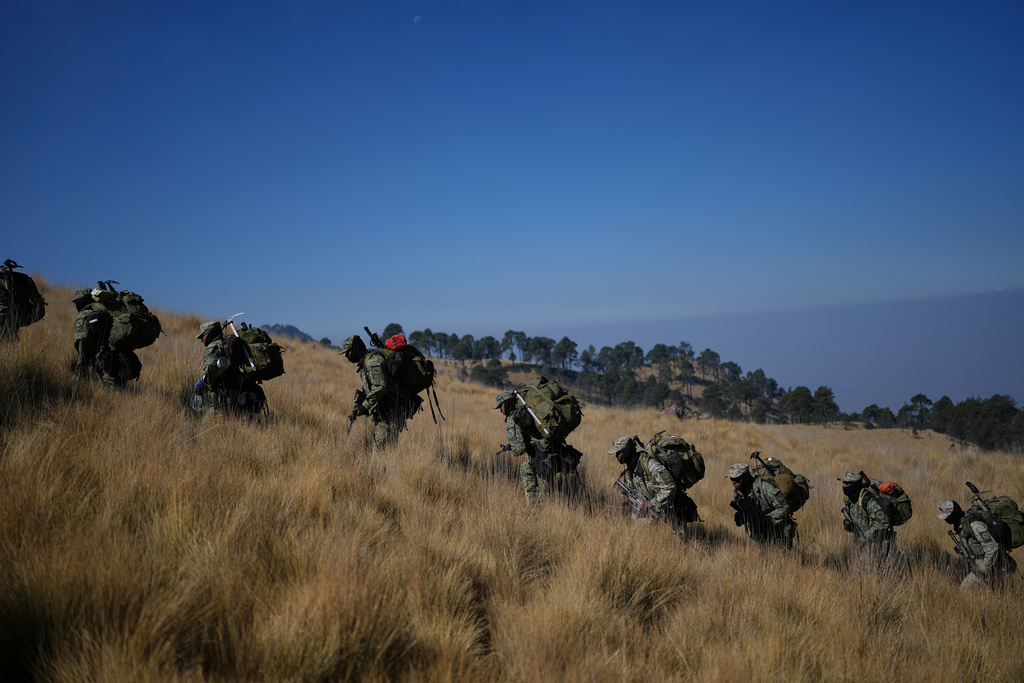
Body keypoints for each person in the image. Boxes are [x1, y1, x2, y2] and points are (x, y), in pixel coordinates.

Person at [495, 389, 578, 502]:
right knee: (544, 487)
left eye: (501, 406)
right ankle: (541, 509)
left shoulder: (514, 419)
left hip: (542, 458)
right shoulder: (530, 412)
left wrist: (515, 446)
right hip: (556, 452)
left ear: (507, 402)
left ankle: (535, 506)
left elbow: (519, 450)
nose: (500, 410)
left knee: (531, 475)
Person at [341, 334, 419, 448]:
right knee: (385, 449)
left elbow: (380, 387)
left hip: (389, 411)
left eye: (348, 352)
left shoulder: (373, 361)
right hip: (383, 412)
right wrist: (360, 401)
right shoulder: (366, 361)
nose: (347, 357)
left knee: (380, 450)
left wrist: (365, 406)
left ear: (354, 349)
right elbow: (373, 385)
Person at [610, 435, 699, 528]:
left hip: (672, 511)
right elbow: (628, 489)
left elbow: (670, 486)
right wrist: (624, 496)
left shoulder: (650, 465)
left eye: (619, 453)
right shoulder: (630, 471)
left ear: (626, 451)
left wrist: (652, 503)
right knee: (637, 530)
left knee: (679, 539)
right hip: (654, 511)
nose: (617, 456)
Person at [938, 499, 1018, 589]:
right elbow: (976, 545)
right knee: (996, 590)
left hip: (995, 562)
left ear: (954, 514)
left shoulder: (974, 525)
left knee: (964, 590)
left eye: (947, 517)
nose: (946, 520)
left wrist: (982, 568)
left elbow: (992, 546)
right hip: (985, 561)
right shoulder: (961, 525)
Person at [193, 321, 265, 418]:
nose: (202, 340)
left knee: (206, 426)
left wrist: (210, 385)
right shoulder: (231, 344)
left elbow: (210, 367)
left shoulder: (214, 346)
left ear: (209, 333)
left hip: (226, 395)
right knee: (244, 424)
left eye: (203, 336)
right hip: (245, 392)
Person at [71, 287, 139, 387]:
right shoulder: (107, 311)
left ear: (82, 300)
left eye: (77, 301)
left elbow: (83, 338)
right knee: (119, 388)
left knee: (110, 390)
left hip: (102, 361)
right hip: (120, 358)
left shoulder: (84, 315)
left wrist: (81, 360)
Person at [728, 462, 795, 548]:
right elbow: (740, 514)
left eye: (737, 479)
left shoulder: (764, 488)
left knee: (783, 557)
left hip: (779, 528)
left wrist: (767, 519)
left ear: (745, 477)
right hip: (759, 533)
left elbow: (785, 507)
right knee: (761, 558)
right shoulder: (738, 493)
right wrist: (739, 518)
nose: (733, 482)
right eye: (731, 479)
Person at [839, 471, 896, 558]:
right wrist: (846, 522)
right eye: (843, 483)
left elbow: (883, 522)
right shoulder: (849, 499)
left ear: (855, 485)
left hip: (880, 544)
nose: (843, 485)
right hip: (864, 545)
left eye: (847, 483)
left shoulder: (868, 501)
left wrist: (865, 537)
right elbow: (848, 513)